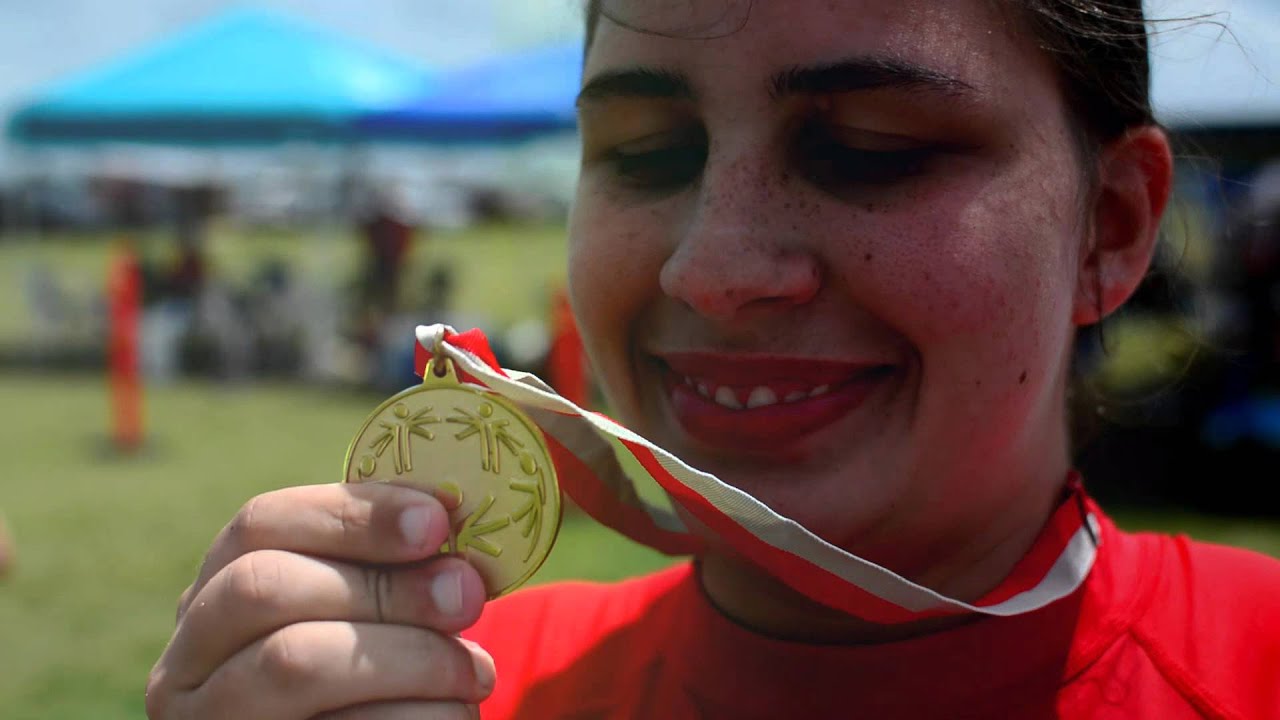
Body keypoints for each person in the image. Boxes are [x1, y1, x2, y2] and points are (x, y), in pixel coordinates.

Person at [145, 1, 1280, 718]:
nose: (712, 265)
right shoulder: (447, 685)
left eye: (867, 149)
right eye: (645, 154)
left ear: (1113, 225)